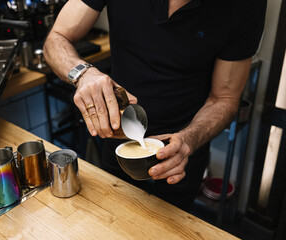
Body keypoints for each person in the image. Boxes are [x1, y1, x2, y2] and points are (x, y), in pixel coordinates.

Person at [43, 0, 266, 210]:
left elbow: (225, 98)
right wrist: (83, 74)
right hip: (120, 137)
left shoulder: (245, 4)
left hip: (183, 151)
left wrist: (189, 139)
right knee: (116, 219)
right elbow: (57, 38)